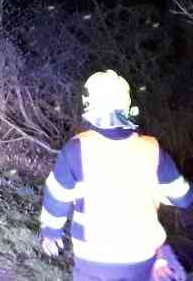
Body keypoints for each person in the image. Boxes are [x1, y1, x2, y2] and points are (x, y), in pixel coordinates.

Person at [39, 69, 193, 281]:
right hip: (141, 258)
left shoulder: (76, 149)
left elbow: (57, 197)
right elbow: (184, 197)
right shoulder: (152, 149)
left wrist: (51, 233)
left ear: (89, 104)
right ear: (126, 105)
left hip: (93, 259)